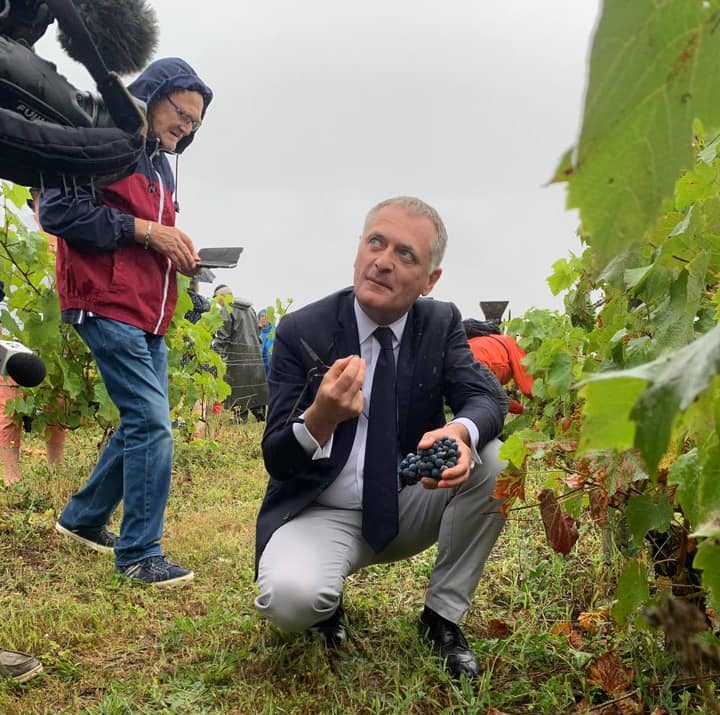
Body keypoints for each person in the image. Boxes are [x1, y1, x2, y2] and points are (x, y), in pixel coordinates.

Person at [254, 196, 508, 680]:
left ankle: (441, 619)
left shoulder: (440, 323)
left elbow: (487, 399)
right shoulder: (301, 330)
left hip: (405, 499)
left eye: (405, 254)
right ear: (359, 249)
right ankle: (325, 608)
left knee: (494, 460)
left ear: (430, 279)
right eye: (376, 242)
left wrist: (459, 432)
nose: (383, 261)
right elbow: (277, 459)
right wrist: (319, 418)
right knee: (290, 603)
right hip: (320, 510)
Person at [40, 58, 213, 586]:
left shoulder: (159, 164)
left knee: (143, 421)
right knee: (151, 424)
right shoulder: (102, 139)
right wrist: (144, 231)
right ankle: (140, 552)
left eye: (195, 124)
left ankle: (83, 518)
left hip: (147, 310)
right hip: (105, 301)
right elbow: (58, 213)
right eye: (181, 113)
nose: (185, 128)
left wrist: (176, 248)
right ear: (151, 94)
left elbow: (147, 234)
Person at [212, 286, 269, 422]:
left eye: (217, 298)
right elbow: (258, 333)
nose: (217, 302)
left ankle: (240, 418)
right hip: (254, 354)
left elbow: (223, 336)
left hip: (237, 356)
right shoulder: (250, 309)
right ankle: (259, 413)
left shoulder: (227, 310)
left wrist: (215, 353)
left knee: (238, 387)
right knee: (254, 385)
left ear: (223, 297)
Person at [463, 319, 534, 414]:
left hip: (451, 368)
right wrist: (541, 403)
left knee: (467, 410)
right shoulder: (507, 341)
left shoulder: (469, 344)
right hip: (477, 366)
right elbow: (527, 387)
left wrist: (522, 410)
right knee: (496, 408)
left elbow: (496, 394)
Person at [257, 308, 275, 377]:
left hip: (272, 371)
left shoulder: (274, 331)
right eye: (261, 316)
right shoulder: (256, 333)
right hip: (259, 371)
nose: (263, 318)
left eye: (266, 316)